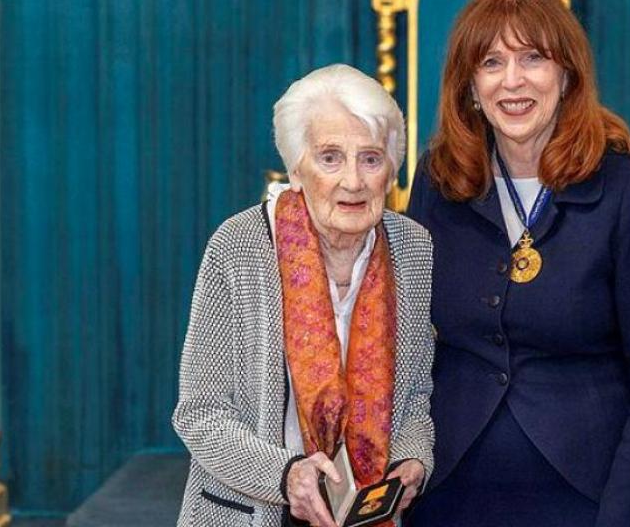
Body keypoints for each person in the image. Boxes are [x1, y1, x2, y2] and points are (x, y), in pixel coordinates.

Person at [405, 0, 630, 525]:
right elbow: (411, 343)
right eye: (491, 62)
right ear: (470, 85)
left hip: (592, 495)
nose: (512, 81)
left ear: (567, 75)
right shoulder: (438, 182)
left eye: (532, 57)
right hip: (451, 492)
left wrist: (626, 513)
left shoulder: (629, 190)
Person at [173, 64, 434, 527]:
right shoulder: (238, 247)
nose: (353, 181)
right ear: (297, 169)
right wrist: (285, 475)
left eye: (371, 158)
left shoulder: (413, 249)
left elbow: (414, 395)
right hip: (254, 513)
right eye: (330, 158)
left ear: (392, 170)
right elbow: (201, 413)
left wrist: (413, 457)